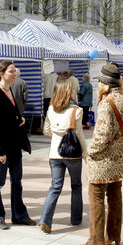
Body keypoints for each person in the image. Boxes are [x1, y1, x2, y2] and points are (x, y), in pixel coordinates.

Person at [79, 63, 123, 245]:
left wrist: (90, 151)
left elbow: (102, 134)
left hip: (103, 160)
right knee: (115, 197)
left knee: (96, 198)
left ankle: (96, 239)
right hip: (119, 158)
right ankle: (113, 236)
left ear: (104, 83)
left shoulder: (106, 102)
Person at [0, 61, 35, 230]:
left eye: (15, 71)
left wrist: (20, 119)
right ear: (2, 74)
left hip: (14, 145)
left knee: (17, 182)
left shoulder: (9, 90)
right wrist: (0, 151)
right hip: (3, 146)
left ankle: (19, 215)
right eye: (12, 71)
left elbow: (11, 116)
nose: (15, 74)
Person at [39, 78, 87, 234]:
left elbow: (46, 130)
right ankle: (76, 218)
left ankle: (45, 220)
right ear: (69, 92)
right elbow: (79, 135)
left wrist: (58, 134)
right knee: (76, 185)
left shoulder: (51, 109)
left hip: (54, 153)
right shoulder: (76, 111)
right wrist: (85, 154)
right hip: (72, 154)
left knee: (55, 187)